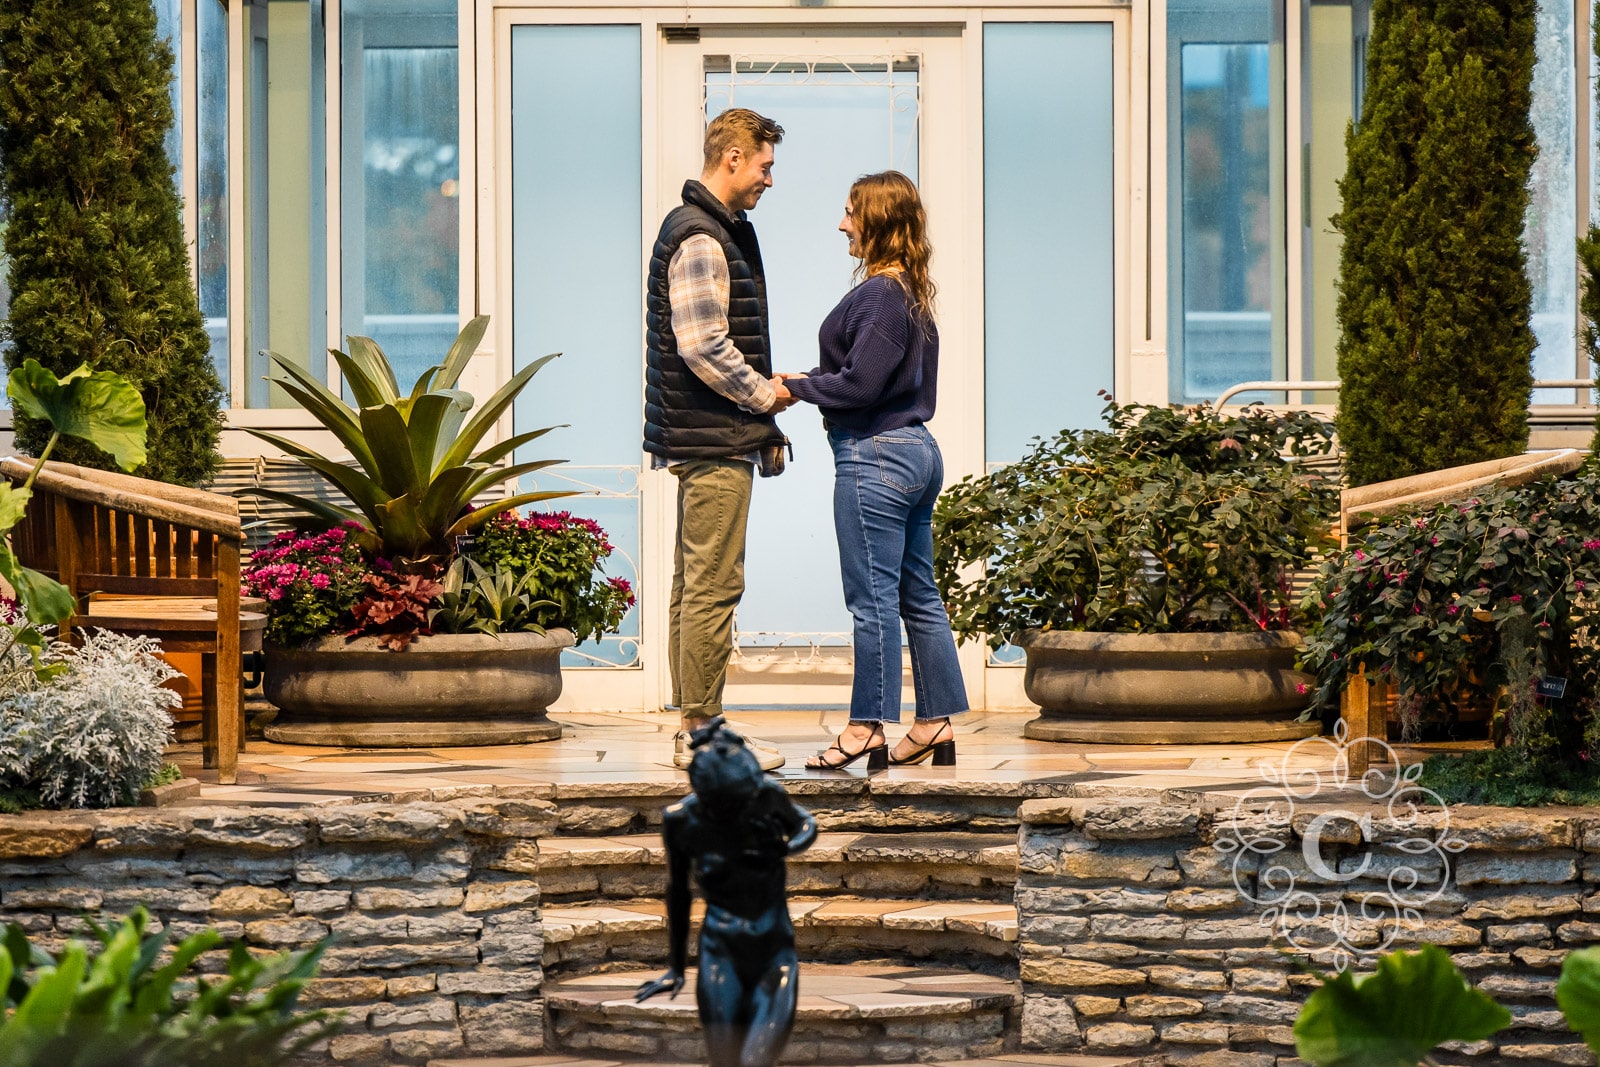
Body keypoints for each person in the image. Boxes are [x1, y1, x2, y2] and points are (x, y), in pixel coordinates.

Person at [774, 171, 969, 769]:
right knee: (917, 595)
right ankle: (934, 722)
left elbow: (860, 385)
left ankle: (865, 728)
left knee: (872, 600)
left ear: (878, 221)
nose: (841, 224)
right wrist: (811, 381)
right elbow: (870, 375)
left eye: (851, 212)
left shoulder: (884, 294)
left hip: (876, 454)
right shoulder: (908, 293)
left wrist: (797, 387)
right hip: (912, 451)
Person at [645, 108, 794, 771]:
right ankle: (702, 737)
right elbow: (703, 345)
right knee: (713, 586)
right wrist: (766, 394)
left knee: (694, 585)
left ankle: (695, 728)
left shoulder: (711, 229)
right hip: (714, 440)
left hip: (705, 435)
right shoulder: (702, 236)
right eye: (764, 165)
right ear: (732, 158)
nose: (769, 179)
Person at [635, 716, 817, 1067]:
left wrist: (788, 847)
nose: (742, 811)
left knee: (755, 1060)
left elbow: (806, 823)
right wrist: (675, 967)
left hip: (773, 952)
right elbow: (679, 894)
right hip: (720, 950)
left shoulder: (766, 796)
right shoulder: (680, 821)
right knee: (725, 1059)